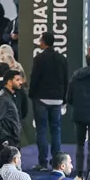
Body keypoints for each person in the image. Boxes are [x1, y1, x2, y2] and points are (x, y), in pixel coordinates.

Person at [29, 32, 69, 171]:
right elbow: (66, 80)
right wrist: (64, 98)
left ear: (44, 42)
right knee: (56, 131)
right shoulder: (62, 59)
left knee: (41, 130)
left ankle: (43, 163)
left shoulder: (39, 58)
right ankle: (57, 164)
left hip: (41, 98)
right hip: (57, 99)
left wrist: (31, 94)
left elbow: (35, 78)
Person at [0, 70, 24, 169]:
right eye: (17, 80)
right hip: (6, 142)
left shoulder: (11, 96)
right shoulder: (2, 98)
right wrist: (5, 139)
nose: (21, 82)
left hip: (12, 140)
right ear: (9, 82)